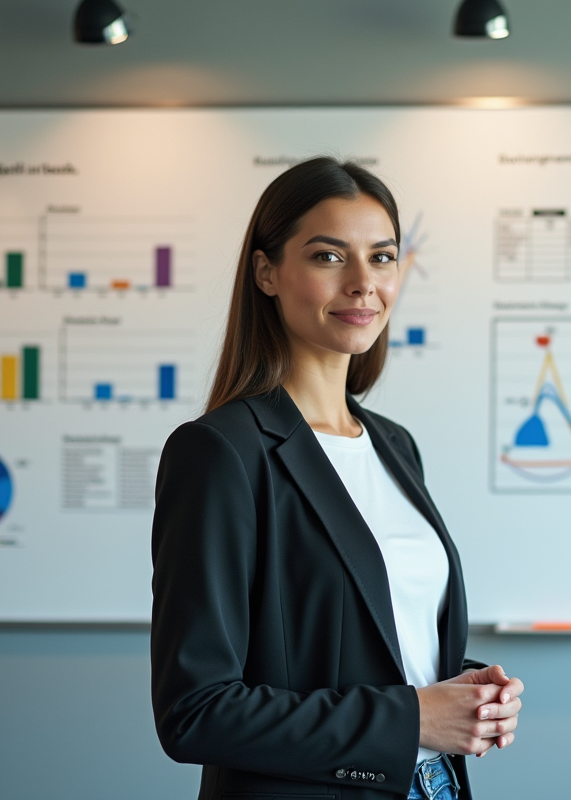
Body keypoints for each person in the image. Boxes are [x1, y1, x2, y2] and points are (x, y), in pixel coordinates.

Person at [150, 157, 523, 800]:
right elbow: (196, 712)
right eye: (328, 257)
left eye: (382, 258)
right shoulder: (220, 453)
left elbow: (366, 645)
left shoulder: (395, 446)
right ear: (267, 273)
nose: (362, 283)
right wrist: (413, 718)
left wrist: (463, 691)